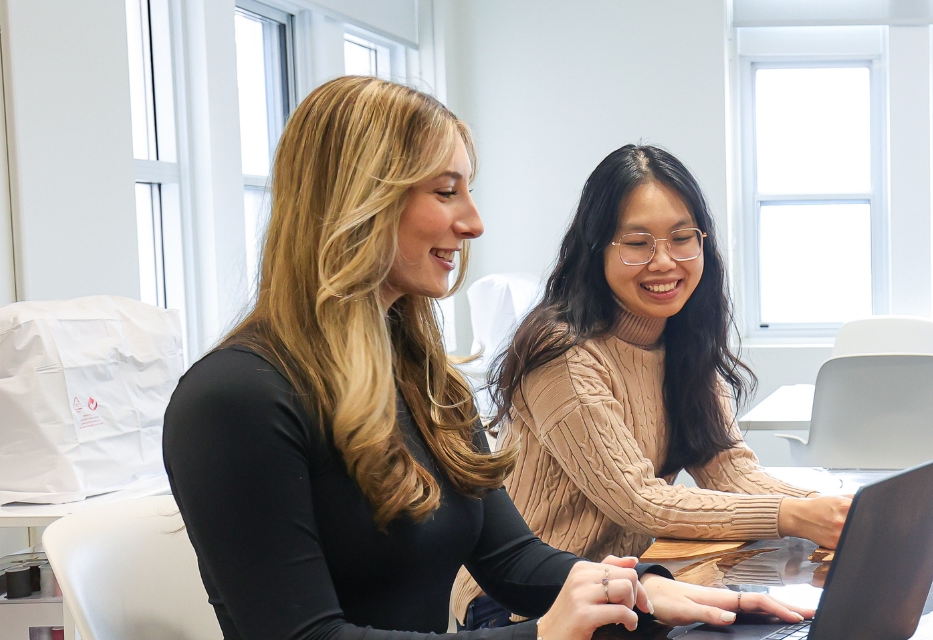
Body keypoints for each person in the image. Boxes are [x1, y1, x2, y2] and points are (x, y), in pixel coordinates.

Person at [164, 76, 811, 639]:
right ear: (358, 203)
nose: (473, 222)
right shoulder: (234, 399)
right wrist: (540, 636)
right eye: (447, 191)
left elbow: (510, 558)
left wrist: (646, 587)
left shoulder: (424, 381)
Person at [453, 144, 850, 627]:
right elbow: (641, 501)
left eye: (682, 238)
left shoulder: (684, 339)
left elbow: (731, 472)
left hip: (631, 584)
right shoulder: (564, 352)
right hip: (524, 600)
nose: (664, 261)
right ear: (596, 248)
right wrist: (789, 514)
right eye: (637, 244)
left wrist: (832, 513)